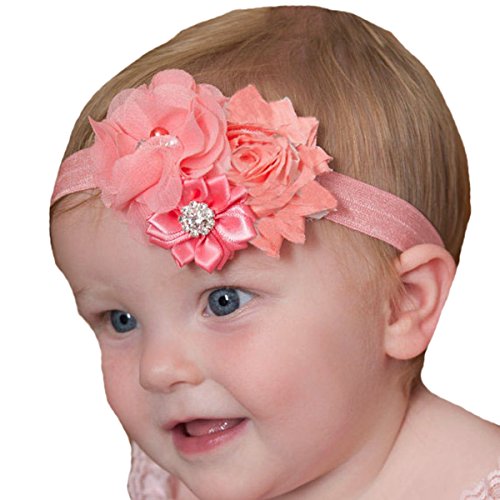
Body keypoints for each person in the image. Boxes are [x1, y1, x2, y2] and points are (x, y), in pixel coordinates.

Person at [49, 6, 500, 499]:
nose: (156, 370)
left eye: (224, 301)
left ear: (402, 302)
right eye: (120, 320)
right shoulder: (169, 482)